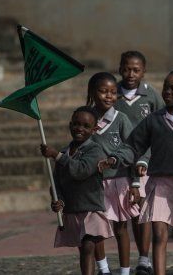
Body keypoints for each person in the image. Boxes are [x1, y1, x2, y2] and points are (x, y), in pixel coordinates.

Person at [101, 71, 173, 275]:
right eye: (165, 87)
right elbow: (133, 146)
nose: (167, 92)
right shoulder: (153, 120)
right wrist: (116, 158)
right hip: (160, 183)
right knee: (159, 235)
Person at [42, 106, 112, 275]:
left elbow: (80, 171)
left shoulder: (95, 150)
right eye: (76, 124)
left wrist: (56, 156)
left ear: (94, 130)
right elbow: (56, 182)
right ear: (70, 125)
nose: (80, 129)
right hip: (73, 210)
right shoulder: (65, 151)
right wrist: (57, 200)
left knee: (88, 246)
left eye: (86, 126)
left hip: (91, 209)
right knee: (83, 250)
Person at [113, 51, 164, 275]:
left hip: (144, 162)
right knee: (123, 211)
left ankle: (144, 258)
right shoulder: (111, 93)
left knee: (141, 210)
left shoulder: (151, 95)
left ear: (143, 71)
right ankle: (120, 261)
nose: (130, 73)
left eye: (136, 70)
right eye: (126, 68)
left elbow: (160, 127)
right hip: (119, 162)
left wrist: (146, 157)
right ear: (119, 68)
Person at [86, 72, 139, 275]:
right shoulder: (85, 119)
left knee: (121, 229)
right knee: (96, 230)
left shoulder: (121, 119)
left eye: (113, 92)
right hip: (94, 184)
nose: (109, 96)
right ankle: (103, 269)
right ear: (92, 92)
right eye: (103, 91)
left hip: (119, 182)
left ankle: (125, 271)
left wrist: (135, 183)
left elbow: (134, 149)